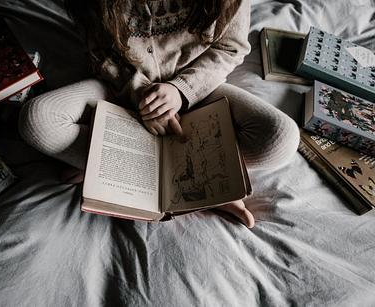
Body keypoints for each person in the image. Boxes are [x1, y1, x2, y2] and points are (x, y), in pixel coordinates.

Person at [18, 0, 300, 228]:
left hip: (198, 89)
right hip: (118, 88)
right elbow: (101, 54)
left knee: (280, 138)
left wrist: (180, 91)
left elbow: (231, 47)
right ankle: (117, 167)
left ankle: (111, 165)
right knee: (37, 119)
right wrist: (141, 95)